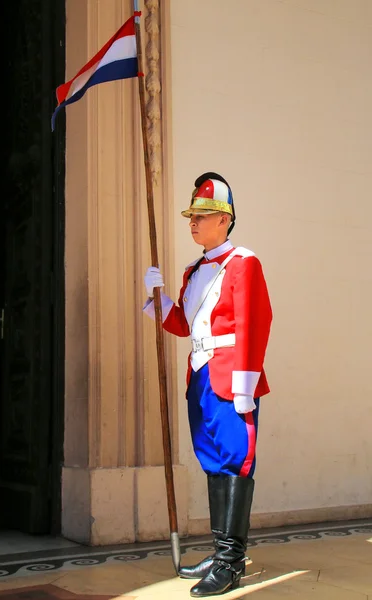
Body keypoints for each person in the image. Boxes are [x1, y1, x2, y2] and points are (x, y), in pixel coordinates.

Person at [143, 172, 272, 597]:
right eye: (192, 216)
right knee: (213, 462)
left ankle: (231, 563)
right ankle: (220, 553)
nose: (194, 223)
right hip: (200, 374)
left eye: (203, 215)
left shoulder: (244, 262)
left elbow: (255, 322)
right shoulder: (193, 271)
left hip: (231, 374)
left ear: (225, 219)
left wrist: (244, 385)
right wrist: (158, 298)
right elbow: (183, 324)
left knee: (236, 460)